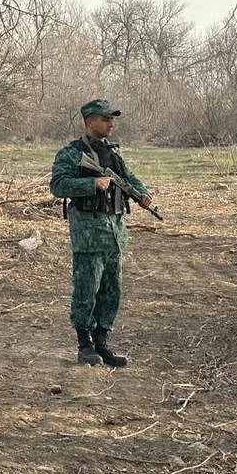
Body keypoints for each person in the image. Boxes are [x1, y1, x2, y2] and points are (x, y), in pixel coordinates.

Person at [50, 99, 153, 367]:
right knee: (87, 289)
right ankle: (84, 345)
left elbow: (129, 178)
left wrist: (142, 193)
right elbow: (58, 186)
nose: (111, 123)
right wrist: (91, 183)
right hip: (88, 233)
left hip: (114, 234)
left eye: (111, 119)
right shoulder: (71, 153)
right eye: (105, 119)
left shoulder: (114, 153)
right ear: (89, 122)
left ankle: (102, 342)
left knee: (111, 290)